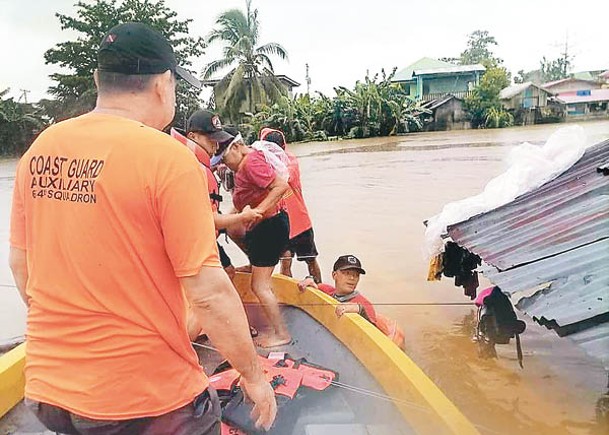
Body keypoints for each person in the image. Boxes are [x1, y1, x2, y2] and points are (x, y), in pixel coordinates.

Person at [9, 22, 275, 435]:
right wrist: (254, 377)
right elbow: (209, 292)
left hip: (49, 392)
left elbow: (22, 266)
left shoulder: (39, 151)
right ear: (163, 85)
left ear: (99, 79)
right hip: (145, 402)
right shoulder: (167, 159)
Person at [211, 131, 292, 348]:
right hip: (265, 226)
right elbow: (241, 202)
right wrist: (227, 221)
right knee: (234, 231)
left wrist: (258, 210)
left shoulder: (249, 163)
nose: (225, 166)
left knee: (259, 286)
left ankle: (281, 333)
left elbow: (281, 185)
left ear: (236, 148)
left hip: (269, 226)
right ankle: (256, 263)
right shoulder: (247, 163)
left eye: (225, 159)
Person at [298, 255, 406, 350]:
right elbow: (315, 286)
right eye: (347, 273)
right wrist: (309, 279)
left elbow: (373, 336)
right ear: (334, 275)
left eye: (356, 275)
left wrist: (360, 311)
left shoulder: (364, 304)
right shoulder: (327, 290)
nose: (352, 278)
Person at [260, 128, 322, 283]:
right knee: (286, 260)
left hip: (300, 223)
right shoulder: (261, 164)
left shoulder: (290, 161)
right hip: (282, 224)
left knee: (310, 259)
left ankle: (320, 289)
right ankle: (287, 298)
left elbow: (285, 176)